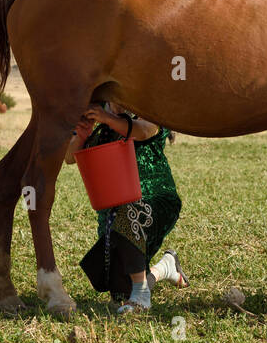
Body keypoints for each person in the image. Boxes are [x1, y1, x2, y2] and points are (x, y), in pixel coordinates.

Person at [65, 101, 188, 314]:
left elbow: (143, 131)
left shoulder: (148, 103)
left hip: (154, 198)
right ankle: (164, 268)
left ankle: (141, 295)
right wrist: (82, 134)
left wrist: (108, 119)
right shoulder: (98, 110)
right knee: (120, 293)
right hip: (111, 215)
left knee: (128, 209)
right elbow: (68, 158)